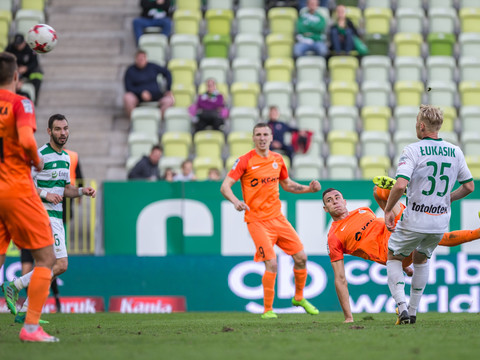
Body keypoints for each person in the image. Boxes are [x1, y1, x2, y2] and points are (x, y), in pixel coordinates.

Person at [323, 179, 480, 323]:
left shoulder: (363, 210)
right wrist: (348, 317)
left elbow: (384, 223)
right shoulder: (334, 236)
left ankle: (403, 193)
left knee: (440, 237)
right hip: (391, 249)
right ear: (325, 209)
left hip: (396, 231)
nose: (335, 201)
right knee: (379, 191)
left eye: (337, 197)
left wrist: (405, 268)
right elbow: (340, 278)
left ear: (344, 201)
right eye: (329, 201)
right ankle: (406, 192)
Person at [220, 123, 321, 319]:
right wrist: (235, 201)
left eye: (265, 134)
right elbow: (225, 187)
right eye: (258, 134)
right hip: (257, 221)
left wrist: (309, 189)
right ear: (253, 138)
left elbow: (287, 184)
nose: (262, 137)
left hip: (278, 219)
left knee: (301, 258)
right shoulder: (245, 160)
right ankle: (267, 310)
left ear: (271, 136)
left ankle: (299, 297)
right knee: (272, 264)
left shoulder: (278, 159)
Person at [384, 105, 474, 325]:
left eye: (416, 123)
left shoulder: (412, 150)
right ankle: (414, 311)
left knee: (393, 256)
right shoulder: (455, 151)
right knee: (421, 259)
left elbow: (400, 185)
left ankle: (402, 307)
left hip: (415, 218)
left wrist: (388, 209)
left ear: (421, 125)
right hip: (439, 222)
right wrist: (445, 199)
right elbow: (469, 186)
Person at [6, 114, 97, 325]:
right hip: (41, 213)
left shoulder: (66, 158)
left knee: (57, 266)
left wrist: (82, 190)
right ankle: (16, 288)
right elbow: (24, 184)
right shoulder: (39, 156)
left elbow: (66, 189)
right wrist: (46, 195)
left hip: (56, 216)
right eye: (58, 129)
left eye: (65, 128)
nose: (63, 133)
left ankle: (25, 306)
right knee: (59, 263)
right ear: (49, 131)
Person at [0, 51, 57, 342]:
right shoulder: (20, 102)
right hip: (15, 190)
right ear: (16, 76)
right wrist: (36, 160)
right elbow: (25, 139)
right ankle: (32, 328)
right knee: (46, 257)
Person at [123, 50, 174, 118]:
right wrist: (141, 92)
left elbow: (167, 73)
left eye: (143, 58)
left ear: (146, 58)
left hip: (156, 96)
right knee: (127, 97)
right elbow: (128, 87)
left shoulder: (153, 67)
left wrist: (168, 89)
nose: (141, 60)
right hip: (138, 97)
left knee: (170, 100)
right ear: (136, 59)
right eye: (139, 59)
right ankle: (134, 120)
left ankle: (157, 119)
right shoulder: (130, 70)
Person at [5, 34, 43, 103]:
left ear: (24, 42)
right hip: (14, 72)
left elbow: (35, 63)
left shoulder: (30, 49)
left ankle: (34, 100)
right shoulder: (10, 48)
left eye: (20, 44)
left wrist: (26, 68)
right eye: (17, 44)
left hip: (28, 72)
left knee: (37, 74)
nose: (18, 46)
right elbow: (5, 62)